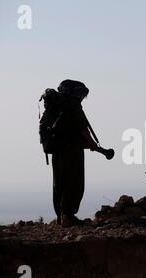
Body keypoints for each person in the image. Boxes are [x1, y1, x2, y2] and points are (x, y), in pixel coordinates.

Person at [50, 80, 103, 227]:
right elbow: (82, 129)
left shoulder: (57, 105)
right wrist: (92, 144)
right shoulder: (73, 106)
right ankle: (68, 215)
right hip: (72, 150)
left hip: (57, 150)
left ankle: (61, 216)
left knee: (59, 182)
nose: (83, 98)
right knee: (74, 181)